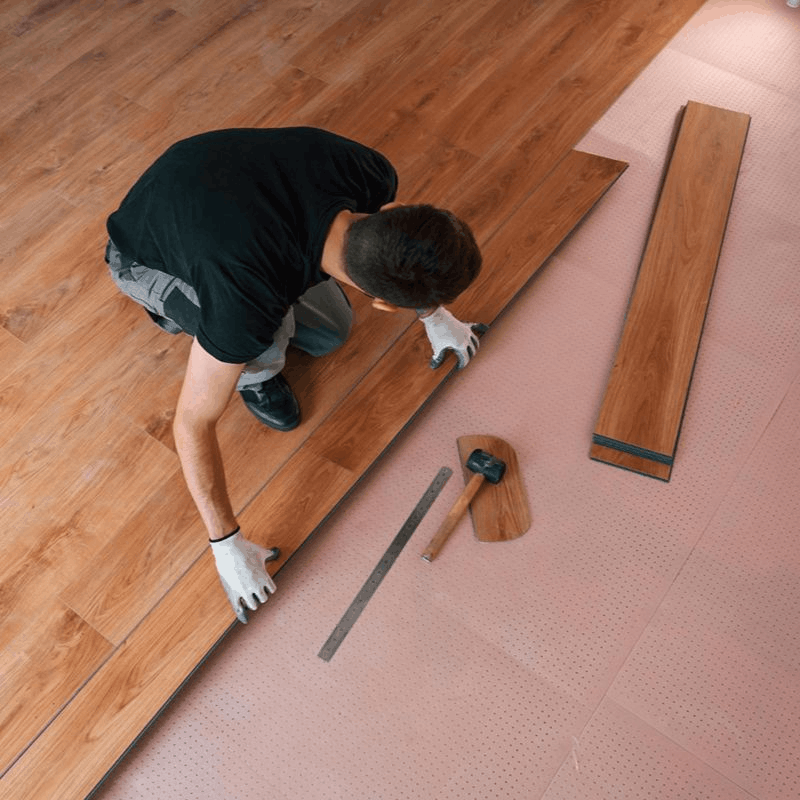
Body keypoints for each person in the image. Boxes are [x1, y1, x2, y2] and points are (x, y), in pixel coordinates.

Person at [105, 127, 484, 623]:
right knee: (258, 338)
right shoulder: (244, 298)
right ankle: (247, 368)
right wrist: (226, 546)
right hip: (145, 247)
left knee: (331, 333)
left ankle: (257, 332)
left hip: (217, 192)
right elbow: (192, 423)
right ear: (385, 305)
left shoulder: (369, 171)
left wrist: (437, 316)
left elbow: (405, 250)